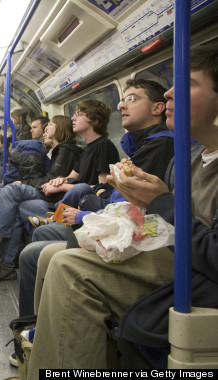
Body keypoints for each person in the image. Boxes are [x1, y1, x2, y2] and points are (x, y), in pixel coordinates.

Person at [26, 44, 218, 375]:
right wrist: (132, 215)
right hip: (176, 251)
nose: (170, 92)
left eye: (187, 84)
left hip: (200, 271)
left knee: (70, 266)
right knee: (49, 252)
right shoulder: (186, 160)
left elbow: (210, 252)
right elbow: (164, 224)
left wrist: (157, 203)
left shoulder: (166, 152)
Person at [17, 79, 172, 318]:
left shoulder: (150, 147)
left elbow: (126, 202)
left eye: (131, 98)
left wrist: (86, 208)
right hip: (104, 209)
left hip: (112, 218)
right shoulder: (127, 148)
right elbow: (82, 179)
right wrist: (58, 182)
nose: (121, 105)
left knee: (61, 204)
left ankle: (49, 223)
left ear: (157, 108)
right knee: (33, 211)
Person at [0, 116, 82, 282]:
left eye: (50, 125)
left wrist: (24, 182)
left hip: (54, 199)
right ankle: (4, 261)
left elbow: (51, 181)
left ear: (60, 128)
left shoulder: (66, 150)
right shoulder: (56, 150)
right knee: (7, 198)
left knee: (12, 189)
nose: (46, 129)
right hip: (49, 192)